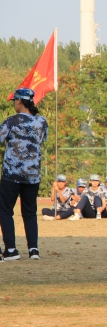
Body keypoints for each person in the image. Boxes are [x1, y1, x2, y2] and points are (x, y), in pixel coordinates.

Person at [0, 88, 48, 261]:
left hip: (12, 174)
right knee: (29, 212)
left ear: (19, 101)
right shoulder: (42, 121)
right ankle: (33, 250)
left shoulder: (11, 122)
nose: (14, 104)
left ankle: (11, 250)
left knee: (5, 211)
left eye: (14, 101)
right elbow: (42, 140)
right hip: (33, 175)